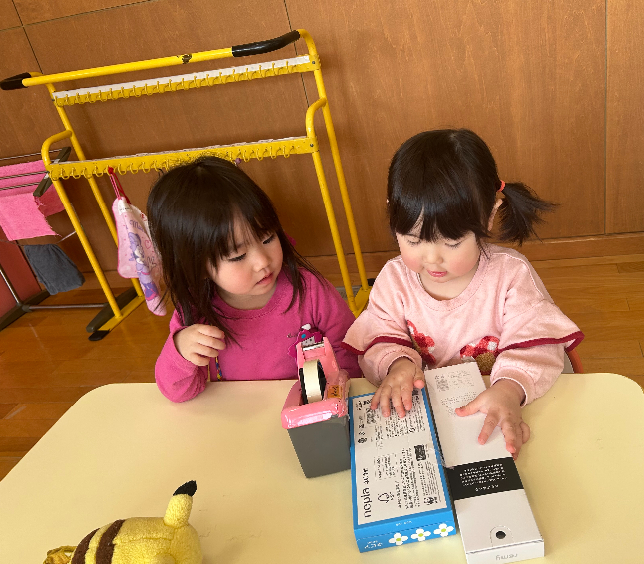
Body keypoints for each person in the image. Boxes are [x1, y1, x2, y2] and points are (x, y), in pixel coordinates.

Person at [342, 129, 583, 457]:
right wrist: (398, 364)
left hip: (498, 410)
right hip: (429, 417)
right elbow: (378, 337)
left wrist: (509, 390)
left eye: (452, 242)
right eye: (413, 240)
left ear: (489, 214)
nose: (432, 258)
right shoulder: (394, 279)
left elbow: (538, 346)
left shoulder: (511, 275)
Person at [147, 156, 361, 402]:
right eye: (238, 256)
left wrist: (338, 396)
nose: (262, 261)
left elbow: (350, 355)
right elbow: (178, 392)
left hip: (308, 409)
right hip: (240, 415)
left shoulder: (311, 290)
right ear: (198, 267)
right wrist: (180, 351)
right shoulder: (196, 312)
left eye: (268, 238)